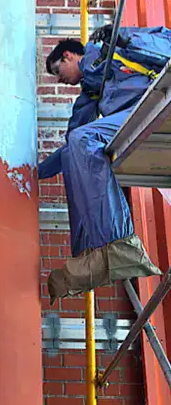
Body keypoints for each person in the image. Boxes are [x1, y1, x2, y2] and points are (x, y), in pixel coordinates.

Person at [39, 25, 166, 303]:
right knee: (76, 151)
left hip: (156, 100)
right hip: (133, 120)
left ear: (71, 56)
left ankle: (119, 245)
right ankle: (90, 254)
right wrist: (34, 173)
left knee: (84, 138)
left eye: (58, 73)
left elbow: (165, 45)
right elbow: (71, 144)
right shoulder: (91, 93)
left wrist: (124, 37)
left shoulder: (111, 51)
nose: (61, 83)